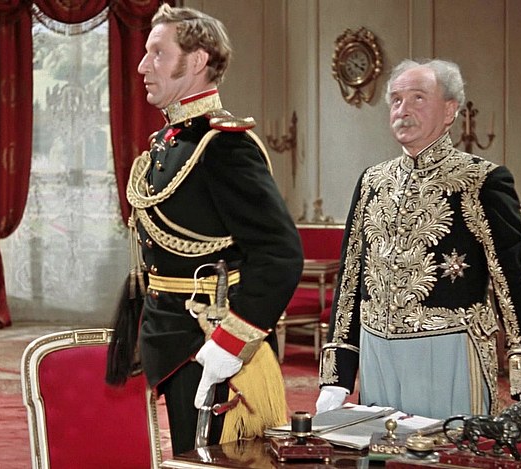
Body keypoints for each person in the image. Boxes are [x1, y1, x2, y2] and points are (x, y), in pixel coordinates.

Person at [315, 58, 521, 441]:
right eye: (396, 100)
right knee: (383, 456)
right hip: (377, 353)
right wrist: (337, 377)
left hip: (448, 349)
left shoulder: (482, 180)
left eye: (418, 98)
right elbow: (350, 280)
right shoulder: (372, 181)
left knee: (449, 454)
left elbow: (511, 282)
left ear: (449, 111)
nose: (403, 110)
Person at [124, 4, 303, 455]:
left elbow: (280, 254)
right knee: (187, 454)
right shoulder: (169, 143)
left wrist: (229, 343)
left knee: (216, 459)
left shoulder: (223, 146)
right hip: (172, 334)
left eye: (158, 53)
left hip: (213, 339)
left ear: (197, 61)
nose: (143, 66)